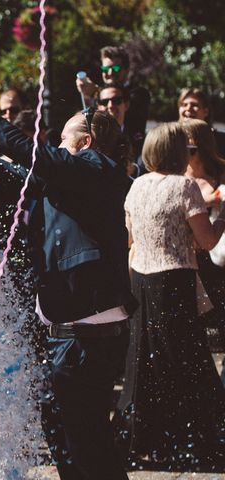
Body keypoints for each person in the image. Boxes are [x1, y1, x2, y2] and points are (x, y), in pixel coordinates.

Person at [0, 70, 136, 480]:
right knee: (66, 434)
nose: (56, 145)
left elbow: (26, 153)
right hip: (69, 332)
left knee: (87, 443)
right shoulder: (70, 179)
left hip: (88, 334)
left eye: (63, 139)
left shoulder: (97, 168)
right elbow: (16, 177)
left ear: (86, 144)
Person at [113, 123, 225, 469]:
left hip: (140, 282)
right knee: (185, 360)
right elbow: (206, 242)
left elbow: (130, 238)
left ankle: (140, 438)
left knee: (142, 360)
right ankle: (192, 438)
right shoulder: (185, 186)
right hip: (174, 282)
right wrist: (221, 217)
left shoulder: (137, 186)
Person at [181, 119, 225, 379]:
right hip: (193, 263)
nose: (186, 153)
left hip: (220, 261)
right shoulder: (177, 177)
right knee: (198, 334)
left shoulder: (220, 172)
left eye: (191, 148)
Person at [76, 45, 150, 151]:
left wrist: (95, 93)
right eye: (105, 69)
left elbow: (124, 116)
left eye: (115, 68)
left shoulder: (139, 94)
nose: (110, 73)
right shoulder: (100, 93)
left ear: (127, 70)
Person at [178, 88, 225, 158]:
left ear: (206, 112)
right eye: (184, 105)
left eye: (194, 105)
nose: (188, 108)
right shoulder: (172, 140)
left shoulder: (221, 140)